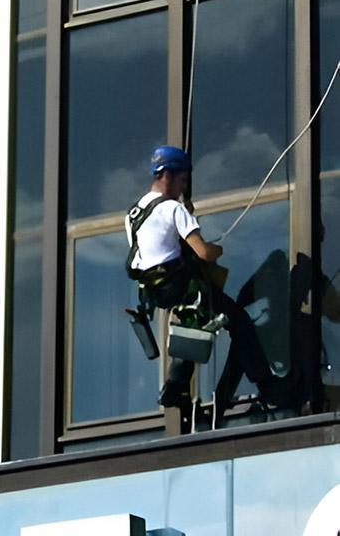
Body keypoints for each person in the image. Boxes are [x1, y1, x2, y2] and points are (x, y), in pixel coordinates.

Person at [126, 145, 295, 415]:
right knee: (238, 321)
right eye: (182, 179)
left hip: (156, 290)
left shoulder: (134, 213)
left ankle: (175, 387)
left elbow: (155, 247)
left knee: (195, 328)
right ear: (167, 175)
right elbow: (203, 252)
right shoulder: (172, 210)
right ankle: (269, 386)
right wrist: (220, 249)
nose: (183, 186)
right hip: (181, 286)